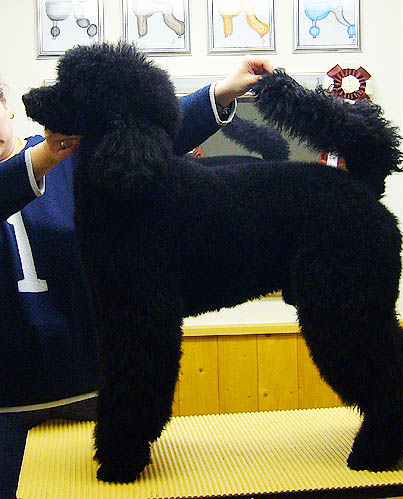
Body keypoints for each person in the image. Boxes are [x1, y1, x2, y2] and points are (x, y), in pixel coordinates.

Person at [0, 54, 273, 497]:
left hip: (89, 389)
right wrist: (45, 156)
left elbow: (149, 129)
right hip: (7, 409)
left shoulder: (75, 154)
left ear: (7, 106)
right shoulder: (53, 154)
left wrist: (221, 92)